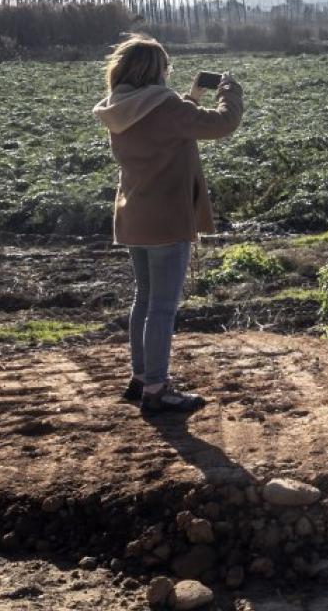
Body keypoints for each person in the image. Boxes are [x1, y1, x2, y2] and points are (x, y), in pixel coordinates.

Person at [92, 35, 244, 415]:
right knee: (162, 307)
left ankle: (142, 378)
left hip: (134, 217)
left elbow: (164, 132)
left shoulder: (121, 107)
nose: (168, 73)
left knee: (144, 300)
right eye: (165, 68)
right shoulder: (165, 107)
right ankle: (158, 389)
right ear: (154, 70)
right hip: (167, 219)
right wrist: (230, 90)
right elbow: (223, 124)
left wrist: (190, 97)